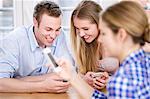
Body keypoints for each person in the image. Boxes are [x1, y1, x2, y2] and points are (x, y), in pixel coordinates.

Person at [57, 1, 150, 98]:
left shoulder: (122, 81)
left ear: (121, 35)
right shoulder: (144, 61)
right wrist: (73, 76)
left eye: (104, 34)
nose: (100, 39)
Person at [0, 1, 72, 93]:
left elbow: (65, 76)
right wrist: (42, 85)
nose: (53, 35)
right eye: (48, 29)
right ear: (35, 22)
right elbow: (1, 82)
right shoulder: (14, 40)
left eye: (57, 29)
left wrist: (19, 80)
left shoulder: (62, 36)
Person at [70, 0, 114, 90]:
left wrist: (110, 81)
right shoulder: (82, 43)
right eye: (77, 28)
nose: (81, 34)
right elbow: (78, 74)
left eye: (86, 28)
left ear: (99, 24)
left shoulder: (116, 39)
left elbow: (132, 76)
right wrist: (84, 79)